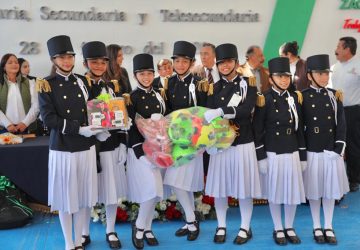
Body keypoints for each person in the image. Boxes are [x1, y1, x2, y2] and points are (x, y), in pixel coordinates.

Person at [37, 35, 109, 250]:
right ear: (53, 60)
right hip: (63, 147)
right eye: (62, 58)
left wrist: (103, 127)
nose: (67, 62)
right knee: (67, 199)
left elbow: (95, 107)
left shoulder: (83, 80)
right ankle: (69, 243)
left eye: (70, 57)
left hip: (86, 147)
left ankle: (79, 239)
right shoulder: (46, 85)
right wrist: (79, 129)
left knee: (85, 198)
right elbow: (48, 118)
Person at [204, 43, 261, 245]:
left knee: (244, 189)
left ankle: (245, 227)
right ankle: (221, 225)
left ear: (236, 63)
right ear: (217, 65)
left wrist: (222, 112)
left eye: (229, 62)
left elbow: (247, 110)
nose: (225, 66)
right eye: (221, 63)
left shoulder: (248, 83)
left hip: (242, 141)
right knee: (220, 188)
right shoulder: (214, 87)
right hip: (220, 145)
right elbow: (208, 116)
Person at [253, 57, 306, 245]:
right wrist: (261, 157)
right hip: (273, 153)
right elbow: (257, 130)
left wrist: (302, 155)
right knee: (275, 193)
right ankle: (278, 227)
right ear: (272, 78)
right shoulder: (263, 99)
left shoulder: (294, 98)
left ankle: (289, 226)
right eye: (280, 76)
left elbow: (299, 129)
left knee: (292, 192)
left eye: (287, 77)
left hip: (291, 151)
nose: (284, 80)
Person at [80, 41, 127, 249]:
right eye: (94, 62)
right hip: (88, 145)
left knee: (110, 191)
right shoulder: (79, 85)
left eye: (102, 62)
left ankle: (111, 230)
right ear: (85, 63)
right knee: (86, 191)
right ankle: (84, 232)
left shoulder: (111, 86)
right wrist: (94, 132)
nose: (99, 66)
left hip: (110, 145)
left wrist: (123, 139)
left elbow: (118, 115)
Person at [163, 40, 208, 242]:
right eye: (177, 61)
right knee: (179, 183)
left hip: (193, 140)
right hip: (175, 139)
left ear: (191, 63)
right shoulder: (169, 82)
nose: (180, 65)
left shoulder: (199, 83)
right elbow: (167, 110)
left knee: (180, 183)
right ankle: (190, 221)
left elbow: (206, 112)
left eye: (184, 61)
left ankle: (190, 219)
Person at [302, 54, 349, 245]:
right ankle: (316, 226)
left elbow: (342, 124)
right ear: (310, 75)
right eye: (319, 73)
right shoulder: (301, 97)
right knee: (314, 192)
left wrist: (339, 148)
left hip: (330, 151)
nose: (324, 77)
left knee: (330, 192)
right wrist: (302, 153)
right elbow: (299, 126)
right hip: (312, 150)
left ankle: (328, 226)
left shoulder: (334, 95)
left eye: (326, 73)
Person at [126, 53, 167, 249]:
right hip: (141, 152)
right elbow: (132, 129)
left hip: (158, 150)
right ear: (135, 76)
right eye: (141, 74)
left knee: (155, 192)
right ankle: (140, 227)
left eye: (149, 73)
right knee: (151, 191)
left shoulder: (159, 93)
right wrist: (139, 153)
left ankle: (148, 227)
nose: (146, 77)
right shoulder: (131, 98)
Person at [331, 37, 360, 192]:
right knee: (336, 144)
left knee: (353, 146)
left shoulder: (358, 65)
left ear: (347, 49)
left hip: (352, 111)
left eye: (338, 46)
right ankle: (338, 177)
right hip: (335, 111)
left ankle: (354, 179)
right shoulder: (334, 67)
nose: (336, 49)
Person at [0, 54, 39, 134]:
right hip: (4, 128)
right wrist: (7, 124)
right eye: (10, 62)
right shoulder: (1, 84)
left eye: (16, 62)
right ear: (4, 67)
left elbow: (36, 105)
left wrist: (25, 123)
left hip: (26, 128)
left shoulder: (30, 83)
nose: (14, 64)